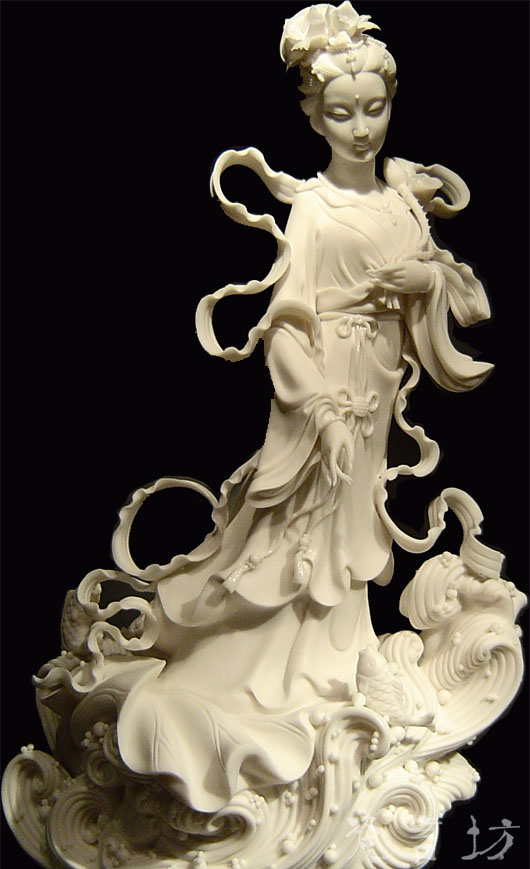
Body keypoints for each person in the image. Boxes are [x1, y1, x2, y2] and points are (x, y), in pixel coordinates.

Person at [37, 3, 493, 815]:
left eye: (375, 108)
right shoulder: (315, 208)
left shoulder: (400, 197)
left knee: (353, 534)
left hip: (375, 390)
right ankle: (260, 681)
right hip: (325, 390)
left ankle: (343, 664)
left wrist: (426, 280)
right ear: (314, 117)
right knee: (297, 537)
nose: (362, 128)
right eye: (342, 113)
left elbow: (467, 301)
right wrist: (317, 407)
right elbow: (284, 325)